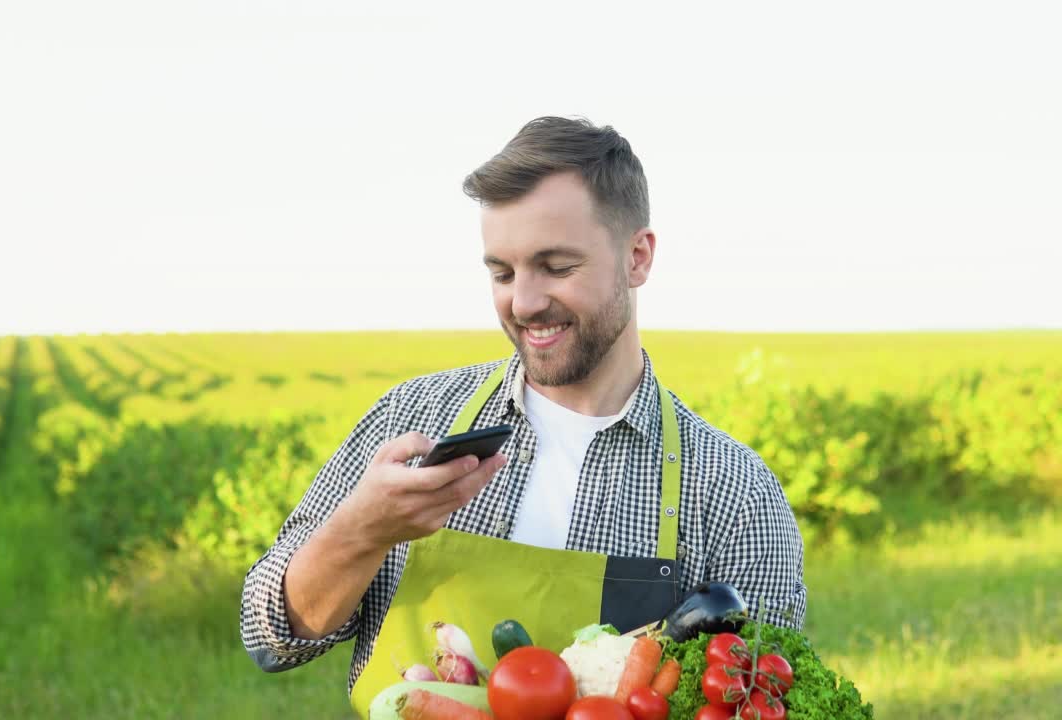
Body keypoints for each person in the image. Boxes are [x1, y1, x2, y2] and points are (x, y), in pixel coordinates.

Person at [240, 116, 806, 715]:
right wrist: (363, 530)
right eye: (502, 273)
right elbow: (271, 640)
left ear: (637, 257)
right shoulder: (410, 419)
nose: (524, 302)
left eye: (557, 267)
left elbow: (764, 698)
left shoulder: (733, 491)